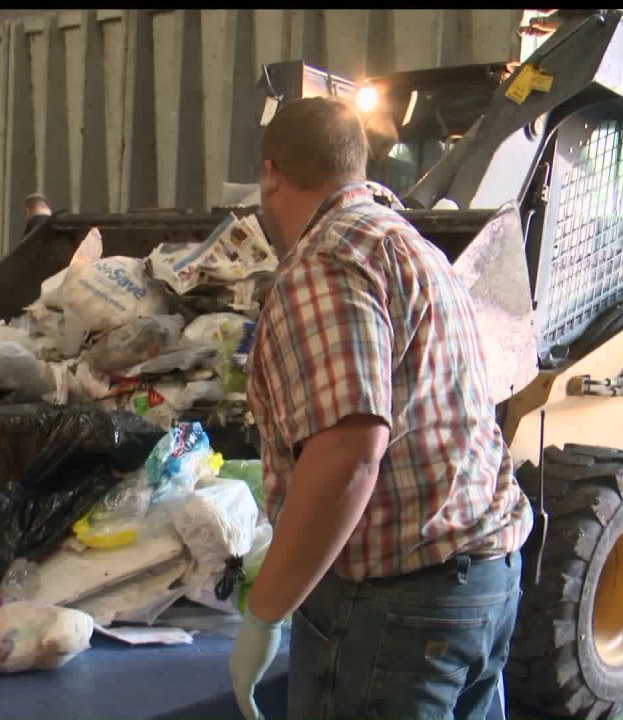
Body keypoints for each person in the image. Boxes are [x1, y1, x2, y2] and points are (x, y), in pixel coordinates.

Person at [228, 97, 533, 720]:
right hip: (484, 584)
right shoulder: (414, 248)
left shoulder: (324, 260)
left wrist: (266, 611)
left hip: (399, 613)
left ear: (270, 174)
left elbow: (348, 454)